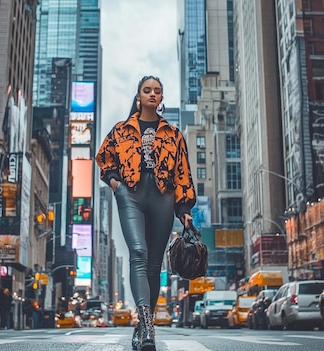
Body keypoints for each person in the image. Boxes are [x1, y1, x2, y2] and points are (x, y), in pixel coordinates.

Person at [96, 75, 195, 351]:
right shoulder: (121, 130)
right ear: (138, 96)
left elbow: (182, 173)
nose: (153, 94)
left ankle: (144, 327)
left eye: (157, 91)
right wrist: (117, 186)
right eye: (147, 90)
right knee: (138, 252)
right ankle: (147, 323)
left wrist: (184, 209)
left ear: (161, 98)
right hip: (132, 194)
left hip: (163, 197)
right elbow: (104, 158)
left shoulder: (173, 133)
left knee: (154, 265)